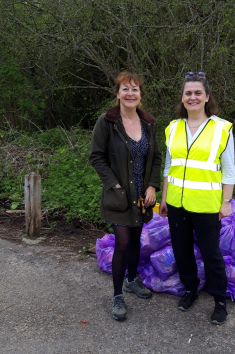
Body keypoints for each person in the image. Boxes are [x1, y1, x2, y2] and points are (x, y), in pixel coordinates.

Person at [159, 72, 235, 325]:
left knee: (211, 254)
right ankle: (191, 289)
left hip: (206, 204)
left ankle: (220, 302)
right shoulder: (173, 127)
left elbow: (229, 169)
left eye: (197, 93)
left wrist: (226, 202)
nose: (192, 97)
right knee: (181, 251)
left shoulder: (221, 128)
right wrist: (164, 197)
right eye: (188, 93)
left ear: (206, 97)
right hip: (177, 204)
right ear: (182, 98)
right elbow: (169, 165)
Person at [89, 71, 162, 321]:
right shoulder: (107, 122)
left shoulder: (149, 123)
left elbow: (156, 158)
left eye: (135, 89)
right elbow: (96, 156)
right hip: (119, 196)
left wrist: (152, 186)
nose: (130, 93)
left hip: (143, 198)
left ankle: (132, 280)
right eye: (125, 89)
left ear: (140, 94)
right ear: (117, 93)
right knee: (121, 242)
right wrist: (113, 184)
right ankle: (117, 295)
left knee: (134, 241)